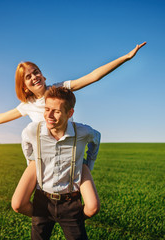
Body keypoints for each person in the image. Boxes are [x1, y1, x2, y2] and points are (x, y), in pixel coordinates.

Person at [0, 42, 146, 218]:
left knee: (92, 207)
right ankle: (45, 216)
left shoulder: (59, 89)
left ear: (42, 75)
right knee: (18, 203)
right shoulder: (27, 105)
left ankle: (71, 218)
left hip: (71, 154)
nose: (34, 76)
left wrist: (126, 57)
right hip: (42, 158)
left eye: (35, 72)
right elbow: (1, 117)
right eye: (28, 77)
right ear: (24, 86)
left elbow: (93, 76)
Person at [22, 86, 100, 240]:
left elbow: (96, 138)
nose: (49, 115)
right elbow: (26, 142)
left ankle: (69, 219)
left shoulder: (83, 132)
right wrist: (31, 162)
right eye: (47, 109)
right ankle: (48, 216)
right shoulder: (33, 130)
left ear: (69, 113)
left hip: (70, 203)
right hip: (42, 201)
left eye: (56, 111)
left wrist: (88, 165)